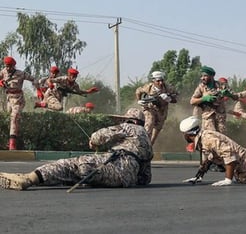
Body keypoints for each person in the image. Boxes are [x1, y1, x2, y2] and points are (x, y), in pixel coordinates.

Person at [0, 108, 153, 191]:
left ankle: (29, 179)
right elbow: (145, 178)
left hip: (116, 164)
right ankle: (39, 179)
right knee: (75, 174)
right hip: (125, 180)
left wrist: (93, 142)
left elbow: (100, 136)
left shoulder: (129, 127)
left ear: (131, 120)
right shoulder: (146, 139)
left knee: (70, 165)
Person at [0, 56, 41, 150]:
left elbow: (34, 79)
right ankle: (9, 140)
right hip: (8, 100)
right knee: (9, 119)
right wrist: (1, 82)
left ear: (14, 66)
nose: (8, 68)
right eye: (6, 66)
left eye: (10, 66)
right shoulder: (3, 72)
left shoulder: (21, 73)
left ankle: (12, 144)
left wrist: (38, 89)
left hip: (18, 100)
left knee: (14, 117)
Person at [190, 66, 238, 134]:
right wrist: (204, 98)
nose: (202, 78)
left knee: (222, 138)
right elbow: (192, 101)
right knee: (210, 137)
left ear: (211, 76)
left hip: (220, 117)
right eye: (201, 76)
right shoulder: (201, 87)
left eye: (205, 76)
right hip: (208, 117)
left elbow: (236, 97)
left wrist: (229, 94)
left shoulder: (222, 85)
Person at [135, 71, 178, 145]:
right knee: (149, 125)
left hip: (162, 111)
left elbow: (176, 98)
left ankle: (150, 146)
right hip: (150, 109)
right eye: (158, 81)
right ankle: (143, 144)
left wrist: (169, 99)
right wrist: (139, 101)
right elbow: (138, 91)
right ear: (153, 81)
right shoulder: (148, 87)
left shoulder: (168, 88)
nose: (160, 83)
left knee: (156, 132)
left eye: (162, 80)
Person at [34, 68, 99, 111]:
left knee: (52, 111)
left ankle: (41, 104)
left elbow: (79, 91)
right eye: (72, 76)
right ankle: (41, 104)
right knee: (60, 108)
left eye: (75, 76)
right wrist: (50, 84)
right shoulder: (63, 79)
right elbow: (49, 80)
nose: (73, 78)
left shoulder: (75, 85)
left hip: (57, 98)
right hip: (51, 94)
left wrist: (89, 91)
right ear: (69, 75)